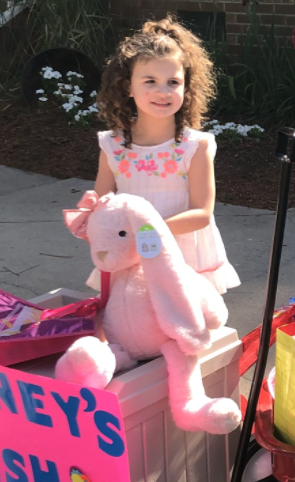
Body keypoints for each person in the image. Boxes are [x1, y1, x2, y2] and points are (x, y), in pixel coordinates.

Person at [92, 17, 240, 295]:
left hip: (182, 257)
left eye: (173, 82)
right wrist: (90, 215)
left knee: (180, 324)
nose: (163, 91)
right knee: (130, 324)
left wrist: (148, 231)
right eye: (150, 81)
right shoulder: (112, 145)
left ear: (186, 87)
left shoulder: (195, 146)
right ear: (128, 87)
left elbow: (202, 213)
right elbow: (102, 207)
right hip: (130, 255)